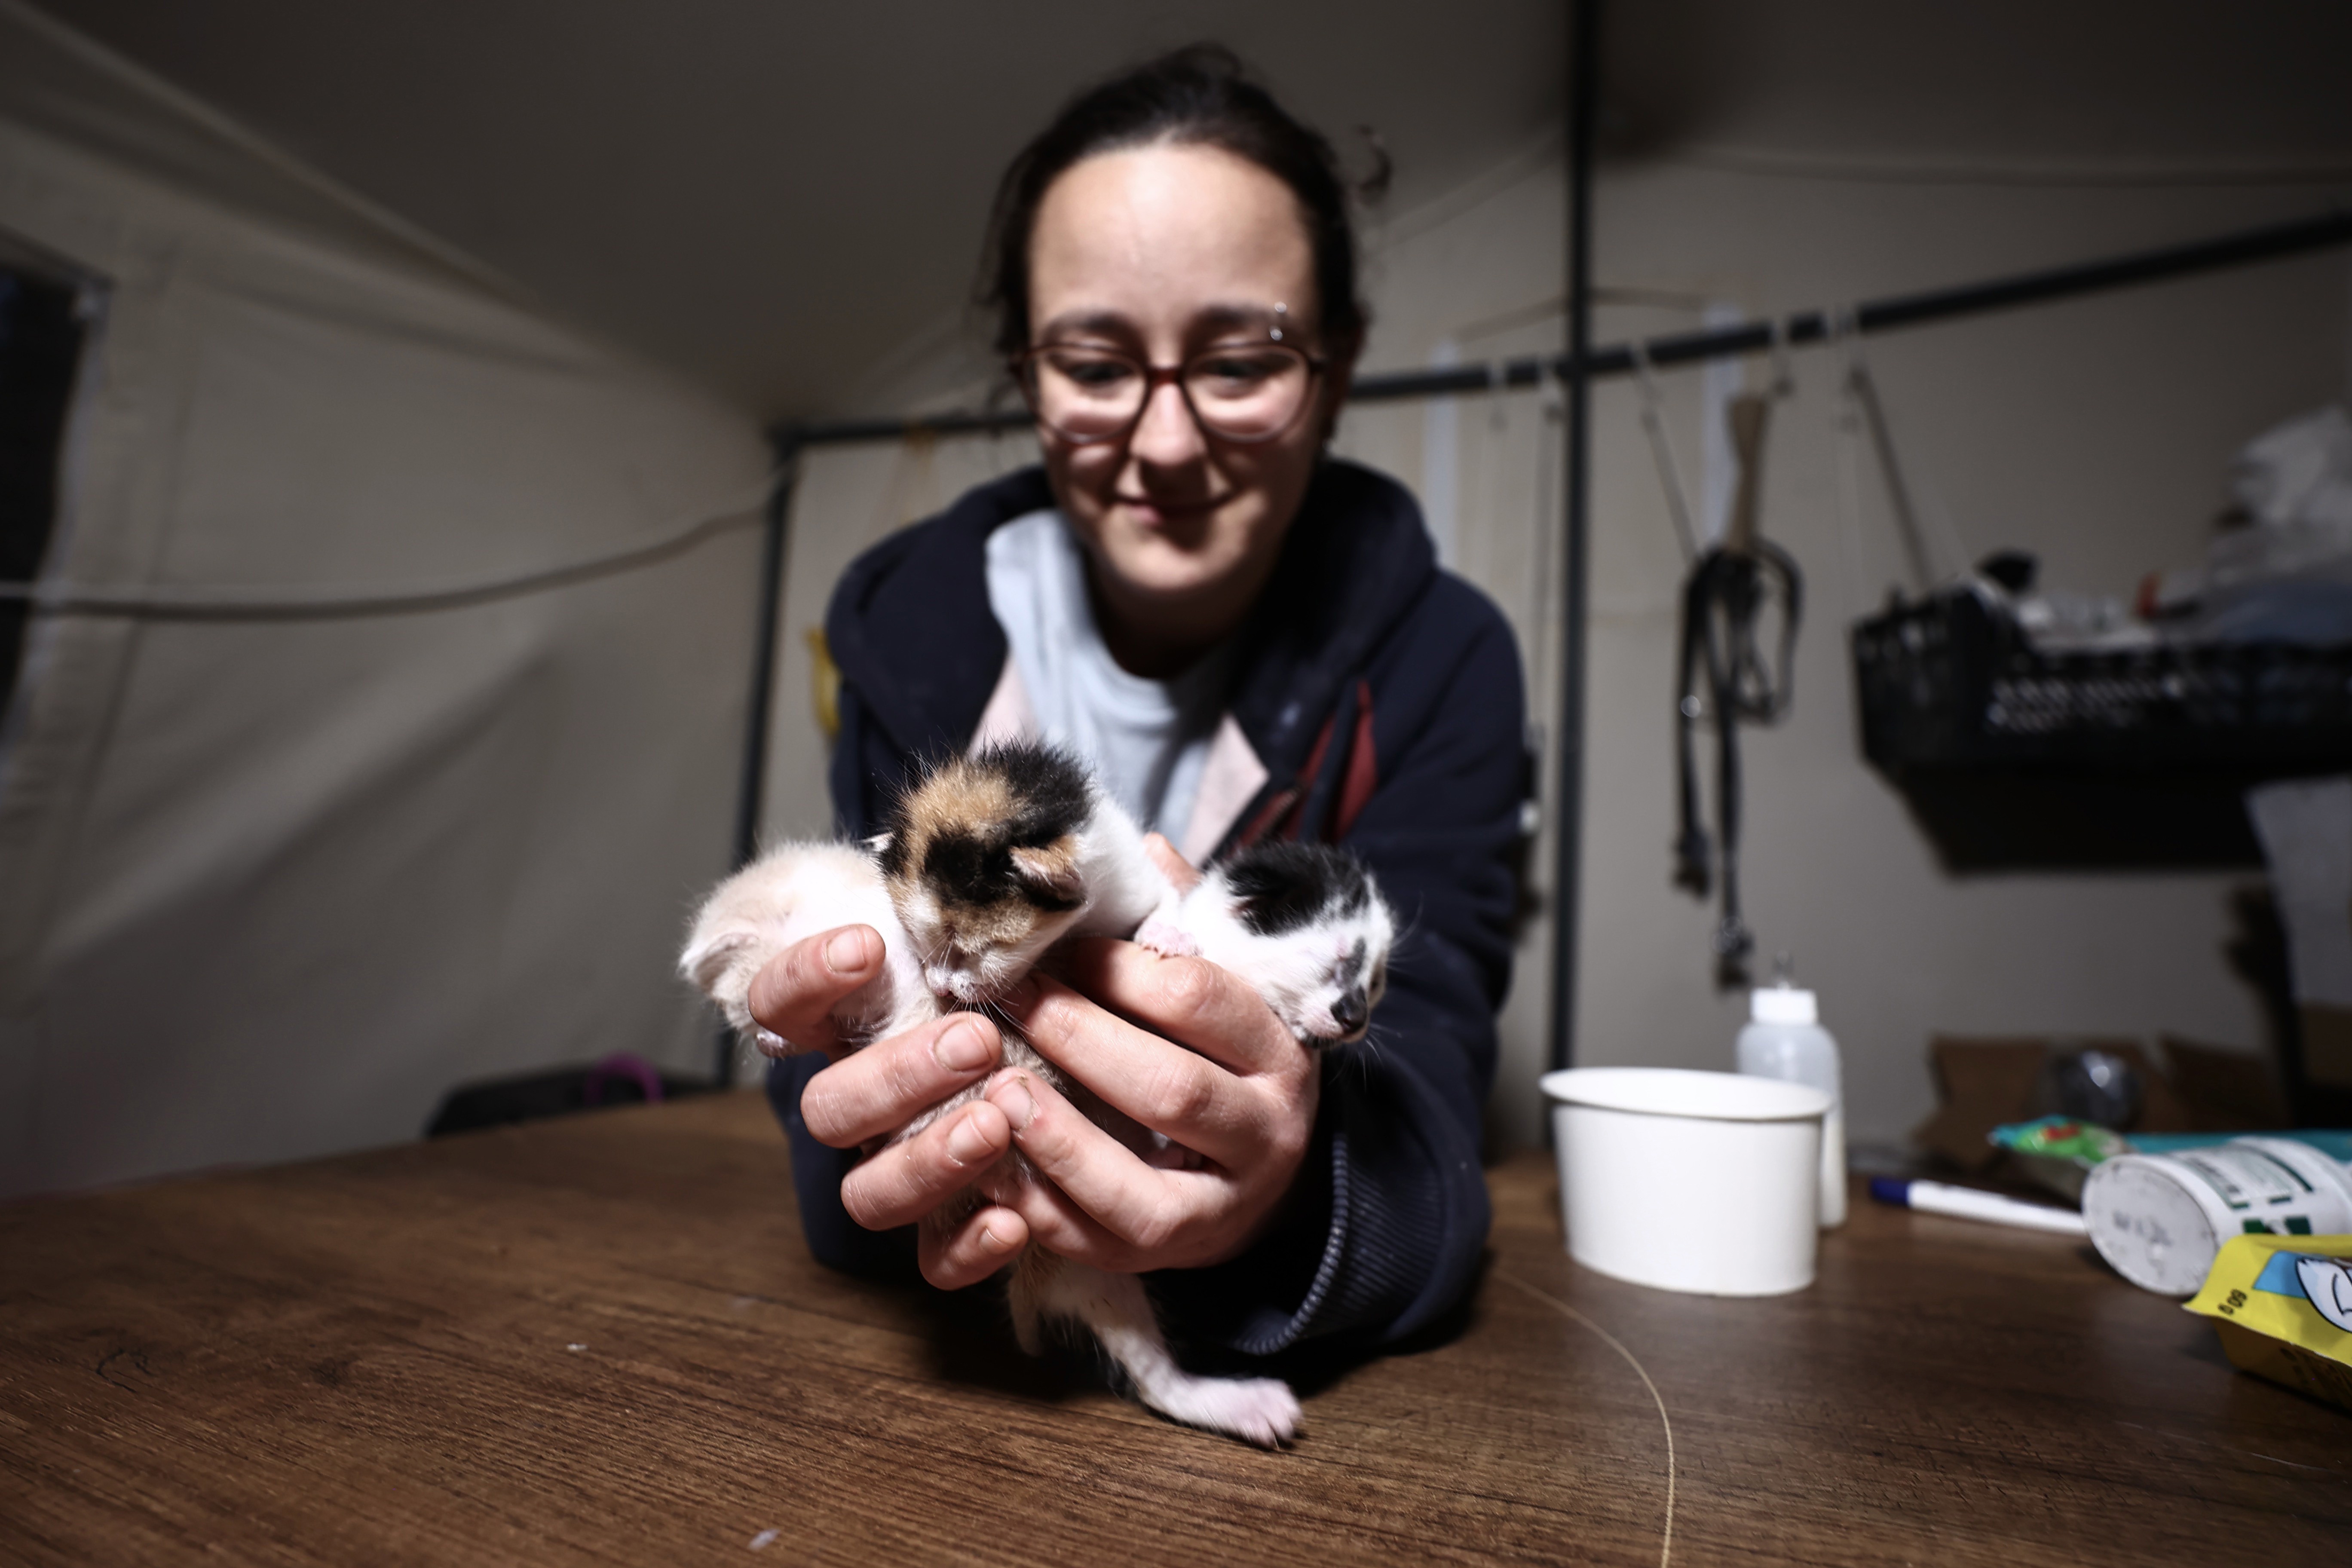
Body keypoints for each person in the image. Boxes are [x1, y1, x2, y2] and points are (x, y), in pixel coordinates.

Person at [750, 45, 1526, 1361]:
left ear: (1334, 371)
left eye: (1240, 361)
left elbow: (1427, 1094)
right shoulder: (911, 640)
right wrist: (860, 1117)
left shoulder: (1443, 658)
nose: (1166, 444)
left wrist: (1289, 1194)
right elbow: (834, 1077)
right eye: (1098, 366)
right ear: (1027, 375)